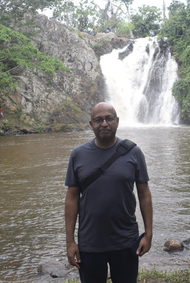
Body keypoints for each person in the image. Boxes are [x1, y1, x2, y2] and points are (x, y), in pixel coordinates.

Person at [64, 102, 153, 283]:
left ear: (117, 121)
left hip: (126, 241)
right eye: (98, 120)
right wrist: (70, 241)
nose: (104, 124)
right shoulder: (78, 154)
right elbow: (72, 198)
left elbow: (144, 194)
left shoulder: (134, 152)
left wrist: (148, 233)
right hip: (90, 243)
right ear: (91, 124)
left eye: (109, 119)